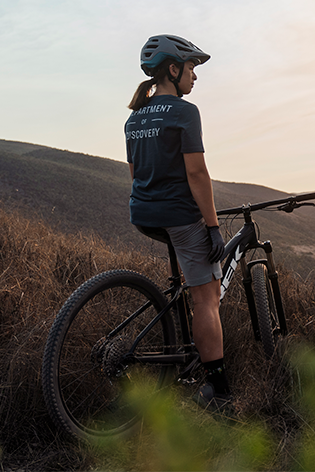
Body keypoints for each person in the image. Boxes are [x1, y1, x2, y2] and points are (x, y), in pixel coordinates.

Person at [125, 34, 232, 412]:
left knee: (189, 280)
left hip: (144, 213)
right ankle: (217, 388)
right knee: (207, 297)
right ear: (173, 70)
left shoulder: (134, 117)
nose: (195, 77)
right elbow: (197, 173)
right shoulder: (186, 112)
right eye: (191, 69)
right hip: (178, 216)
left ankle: (184, 346)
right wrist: (213, 225)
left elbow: (137, 172)